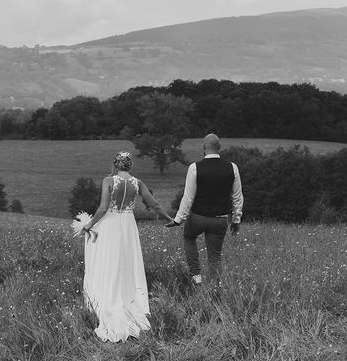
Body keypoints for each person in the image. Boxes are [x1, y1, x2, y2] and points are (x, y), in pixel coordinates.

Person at [81, 151, 173, 342]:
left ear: (115, 165)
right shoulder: (137, 183)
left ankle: (107, 293)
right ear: (130, 166)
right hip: (128, 224)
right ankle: (129, 297)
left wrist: (89, 224)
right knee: (126, 260)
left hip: (111, 223)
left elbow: (103, 208)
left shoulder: (108, 181)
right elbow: (154, 204)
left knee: (109, 258)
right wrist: (170, 219)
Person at [166, 134, 243, 285]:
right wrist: (236, 219)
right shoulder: (232, 167)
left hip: (197, 217)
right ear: (219, 147)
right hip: (220, 219)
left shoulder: (195, 168)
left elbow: (188, 197)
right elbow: (237, 196)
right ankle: (216, 287)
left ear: (203, 148)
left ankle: (196, 276)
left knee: (189, 238)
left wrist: (178, 220)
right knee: (215, 257)